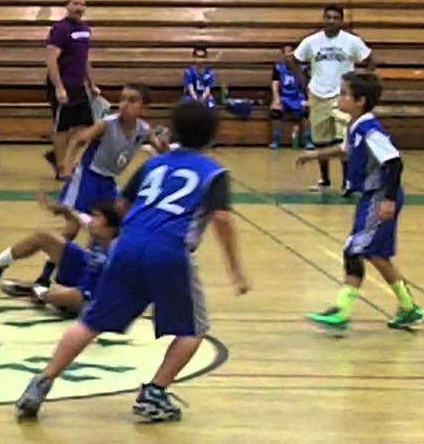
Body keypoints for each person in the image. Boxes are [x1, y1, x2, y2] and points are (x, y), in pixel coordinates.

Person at [14, 101, 250, 424]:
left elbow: (122, 207)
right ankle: (154, 394)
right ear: (213, 136)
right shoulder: (214, 173)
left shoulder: (153, 165)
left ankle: (41, 383)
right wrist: (236, 270)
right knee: (194, 330)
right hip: (170, 250)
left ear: (174, 129)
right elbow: (222, 219)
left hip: (127, 245)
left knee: (91, 321)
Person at [297, 72, 423, 335]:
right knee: (377, 254)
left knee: (354, 250)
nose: (340, 96)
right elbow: (345, 150)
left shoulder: (370, 130)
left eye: (345, 93)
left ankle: (342, 310)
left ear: (360, 101)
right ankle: (408, 307)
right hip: (371, 197)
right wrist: (315, 154)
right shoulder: (356, 126)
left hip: (379, 196)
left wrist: (388, 200)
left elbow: (394, 162)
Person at [31, 84, 165, 289]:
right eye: (122, 99)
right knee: (72, 227)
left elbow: (162, 149)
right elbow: (77, 139)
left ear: (144, 108)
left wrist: (165, 144)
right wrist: (66, 164)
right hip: (87, 177)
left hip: (108, 182)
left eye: (132, 100)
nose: (124, 104)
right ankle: (43, 278)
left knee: (110, 228)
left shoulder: (143, 130)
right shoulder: (107, 124)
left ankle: (96, 275)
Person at [0, 191, 119, 315]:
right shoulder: (101, 232)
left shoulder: (118, 252)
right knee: (44, 236)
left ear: (111, 227)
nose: (91, 220)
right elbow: (80, 219)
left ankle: (39, 292)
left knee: (73, 299)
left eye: (96, 217)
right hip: (85, 269)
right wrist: (66, 210)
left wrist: (48, 295)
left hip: (94, 292)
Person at [289, 6, 372, 192]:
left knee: (343, 140)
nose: (331, 20)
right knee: (321, 141)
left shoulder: (351, 41)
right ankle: (324, 180)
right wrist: (304, 83)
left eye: (335, 17)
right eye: (328, 17)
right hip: (318, 95)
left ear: (341, 21)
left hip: (342, 96)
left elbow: (369, 59)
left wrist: (361, 84)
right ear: (323, 19)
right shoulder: (311, 41)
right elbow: (292, 59)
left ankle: (348, 182)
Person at [44, 0, 100, 179]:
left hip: (79, 85)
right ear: (67, 6)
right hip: (64, 85)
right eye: (75, 3)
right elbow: (51, 60)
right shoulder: (60, 29)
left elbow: (85, 59)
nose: (79, 7)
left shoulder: (85, 29)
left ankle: (60, 157)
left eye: (82, 4)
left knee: (86, 126)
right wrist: (59, 87)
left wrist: (91, 83)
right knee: (62, 128)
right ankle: (62, 167)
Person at [270, 44, 310, 149]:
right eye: (286, 53)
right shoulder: (278, 68)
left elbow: (305, 85)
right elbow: (275, 84)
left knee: (307, 111)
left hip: (298, 97)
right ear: (282, 55)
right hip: (284, 97)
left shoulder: (302, 68)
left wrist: (309, 100)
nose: (288, 56)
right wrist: (276, 98)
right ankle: (275, 139)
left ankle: (307, 139)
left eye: (290, 53)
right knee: (275, 111)